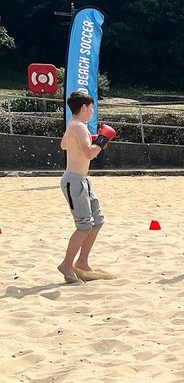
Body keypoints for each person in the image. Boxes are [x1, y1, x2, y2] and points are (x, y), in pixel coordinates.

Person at [58, 91, 116, 283]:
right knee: (84, 226)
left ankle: (82, 262)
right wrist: (100, 141)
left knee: (97, 221)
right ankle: (67, 264)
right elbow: (90, 154)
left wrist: (92, 139)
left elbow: (64, 145)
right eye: (91, 107)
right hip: (75, 180)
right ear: (84, 107)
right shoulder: (79, 127)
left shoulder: (73, 125)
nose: (92, 111)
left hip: (80, 180)